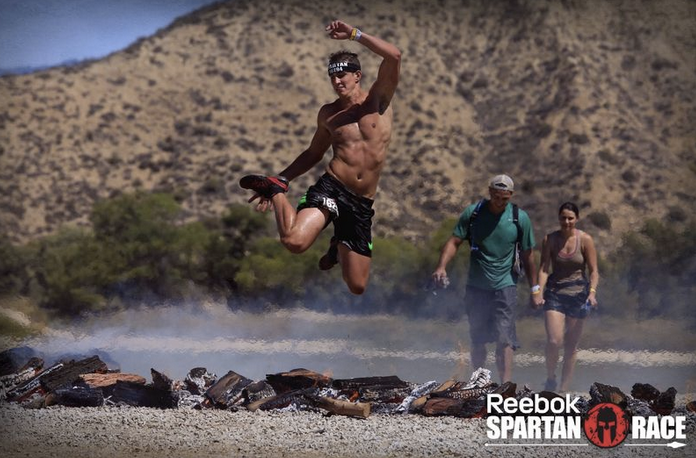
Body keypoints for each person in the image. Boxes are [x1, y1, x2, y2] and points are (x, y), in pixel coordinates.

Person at [239, 20, 401, 295]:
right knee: (294, 242)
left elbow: (394, 55)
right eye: (332, 77)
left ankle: (338, 243)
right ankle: (275, 190)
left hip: (362, 202)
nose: (337, 82)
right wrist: (282, 179)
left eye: (342, 76)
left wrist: (354, 34)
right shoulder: (329, 114)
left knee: (358, 286)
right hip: (333, 188)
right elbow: (314, 152)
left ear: (358, 75)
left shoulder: (378, 100)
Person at [431, 174, 540, 383]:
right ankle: (479, 382)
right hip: (476, 287)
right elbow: (454, 241)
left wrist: (535, 290)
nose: (500, 202)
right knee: (478, 338)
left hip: (505, 285)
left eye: (505, 198)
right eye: (497, 196)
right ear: (490, 192)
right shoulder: (474, 214)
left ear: (511, 196)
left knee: (505, 339)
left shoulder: (519, 218)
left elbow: (528, 255)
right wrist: (441, 267)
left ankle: (505, 387)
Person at [535, 202, 599, 392]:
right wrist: (538, 292)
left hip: (579, 296)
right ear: (559, 218)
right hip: (555, 294)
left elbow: (594, 271)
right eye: (563, 217)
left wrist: (592, 293)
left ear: (576, 219)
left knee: (571, 346)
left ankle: (563, 389)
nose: (567, 221)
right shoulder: (550, 240)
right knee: (554, 341)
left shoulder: (585, 240)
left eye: (570, 218)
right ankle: (550, 377)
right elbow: (544, 269)